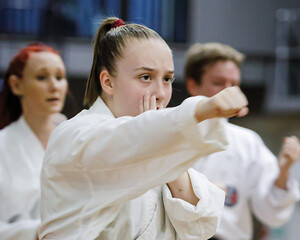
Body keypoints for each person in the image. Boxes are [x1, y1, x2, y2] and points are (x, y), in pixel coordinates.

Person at [38, 18, 249, 240]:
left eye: (167, 79)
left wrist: (166, 145)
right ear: (108, 82)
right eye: (145, 77)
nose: (160, 92)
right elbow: (124, 142)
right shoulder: (74, 135)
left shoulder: (160, 144)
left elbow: (202, 225)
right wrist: (200, 109)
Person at [184, 42, 300, 240]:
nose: (229, 92)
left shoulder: (247, 142)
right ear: (193, 85)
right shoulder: (172, 132)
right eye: (219, 83)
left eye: (234, 85)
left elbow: (271, 213)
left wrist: (284, 170)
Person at [0, 43, 68, 240]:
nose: (54, 85)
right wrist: (36, 232)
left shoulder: (79, 139)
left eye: (59, 77)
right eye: (41, 77)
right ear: (16, 84)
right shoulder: (3, 146)